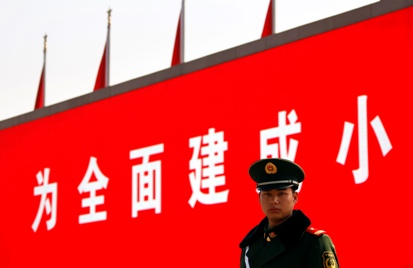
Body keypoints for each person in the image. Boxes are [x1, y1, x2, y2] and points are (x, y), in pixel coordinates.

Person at [239, 158, 339, 268]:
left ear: (295, 197)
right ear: (259, 198)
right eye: (267, 194)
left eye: (281, 193)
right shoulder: (251, 244)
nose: (274, 200)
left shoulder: (313, 242)